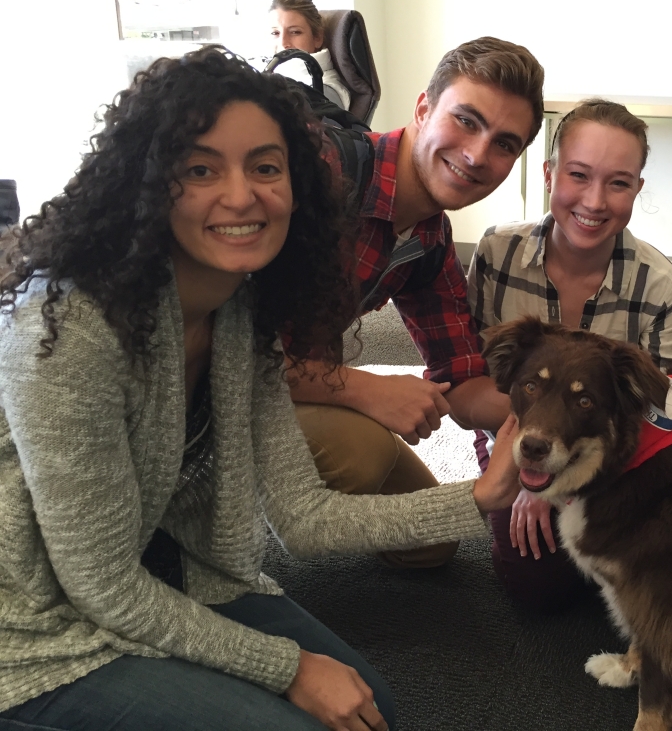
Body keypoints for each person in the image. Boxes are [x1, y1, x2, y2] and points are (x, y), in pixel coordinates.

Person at [0, 47, 521, 731]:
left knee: (372, 707)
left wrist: (481, 496)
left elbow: (300, 515)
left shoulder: (245, 309)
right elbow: (98, 585)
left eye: (265, 168)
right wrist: (290, 667)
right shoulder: (70, 326)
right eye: (200, 169)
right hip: (33, 625)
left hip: (161, 565)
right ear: (149, 181)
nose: (242, 195)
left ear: (298, 186)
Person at [286, 37, 544, 569]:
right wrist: (362, 388)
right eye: (466, 120)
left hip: (292, 378)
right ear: (424, 108)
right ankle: (195, 515)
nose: (477, 155)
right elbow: (217, 351)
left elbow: (463, 378)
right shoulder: (323, 174)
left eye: (504, 144)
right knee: (363, 453)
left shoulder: (429, 239)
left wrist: (546, 418)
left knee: (428, 544)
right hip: (193, 392)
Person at [467, 99, 672, 611]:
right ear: (549, 174)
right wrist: (532, 481)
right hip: (512, 436)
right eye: (579, 175)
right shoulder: (497, 255)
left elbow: (661, 417)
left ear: (637, 189)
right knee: (535, 587)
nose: (594, 200)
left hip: (613, 457)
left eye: (618, 182)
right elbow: (477, 379)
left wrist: (564, 487)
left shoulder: (660, 285)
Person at [270, 0, 352, 111]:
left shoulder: (324, 92)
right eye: (275, 33)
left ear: (317, 37)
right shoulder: (273, 79)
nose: (283, 42)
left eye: (295, 32)